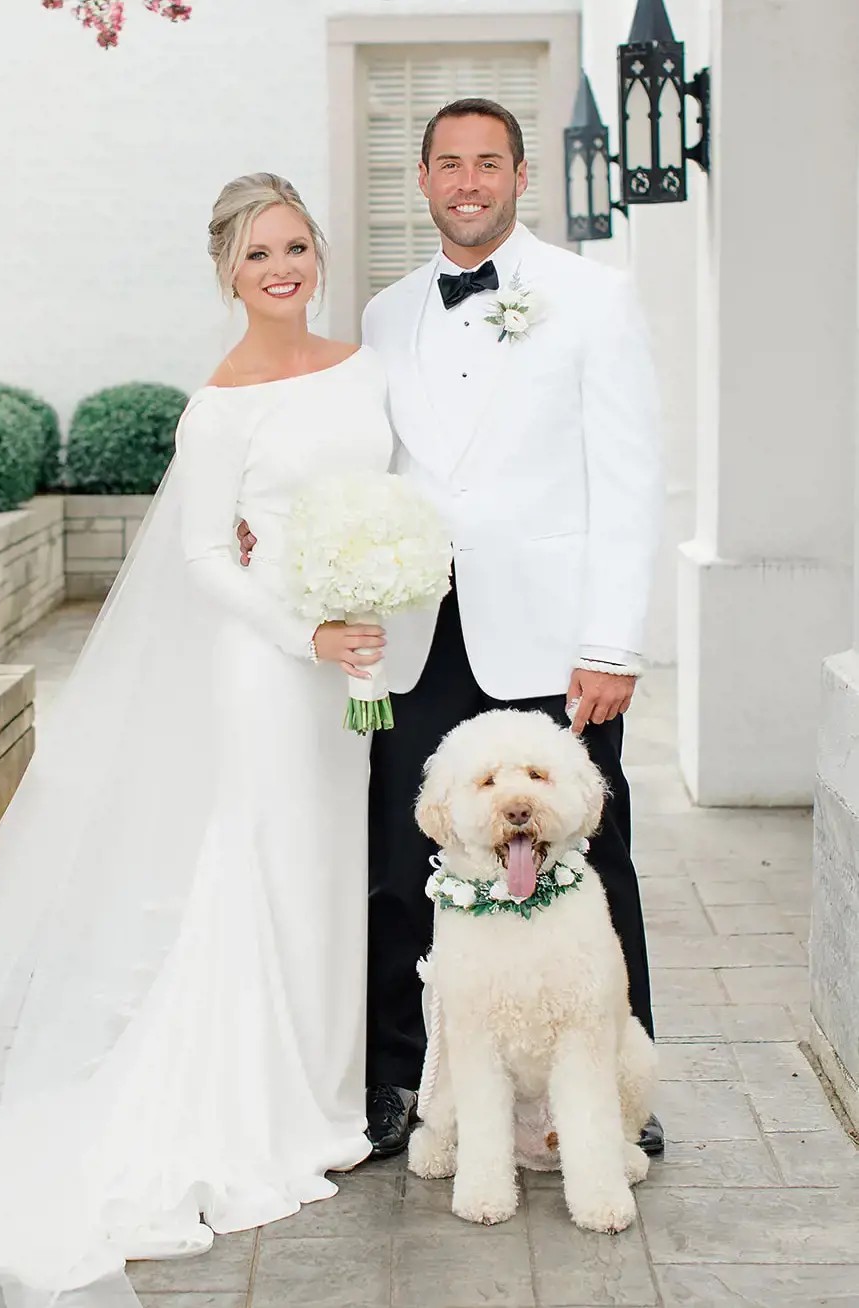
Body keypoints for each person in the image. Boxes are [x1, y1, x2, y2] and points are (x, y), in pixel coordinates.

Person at [0, 173, 393, 1307]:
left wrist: (376, 603)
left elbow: (386, 500)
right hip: (272, 666)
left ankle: (327, 1092)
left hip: (354, 665)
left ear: (319, 251)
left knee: (329, 873)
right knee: (266, 873)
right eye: (259, 253)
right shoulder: (218, 407)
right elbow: (207, 558)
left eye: (297, 246)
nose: (283, 269)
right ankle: (265, 1109)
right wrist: (305, 629)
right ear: (226, 271)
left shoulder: (364, 369)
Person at [242, 98, 664, 1161]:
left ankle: (615, 1095)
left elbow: (628, 479)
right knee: (400, 861)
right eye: (448, 165)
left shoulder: (593, 297)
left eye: (488, 164)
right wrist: (269, 530)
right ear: (421, 181)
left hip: (552, 642)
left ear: (520, 176)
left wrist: (610, 645)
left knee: (589, 865)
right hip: (418, 635)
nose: (467, 182)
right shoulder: (385, 316)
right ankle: (397, 1084)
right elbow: (356, 464)